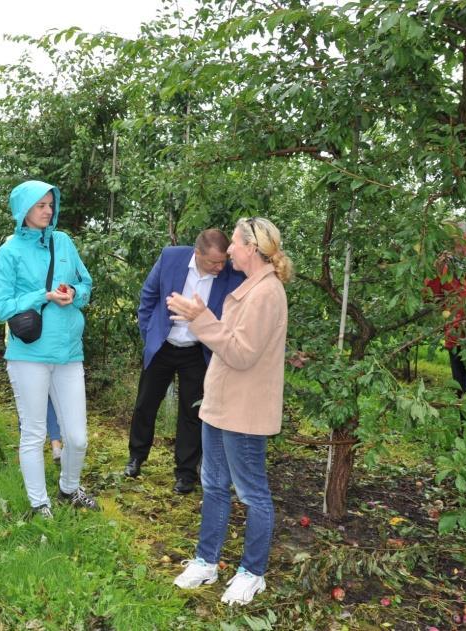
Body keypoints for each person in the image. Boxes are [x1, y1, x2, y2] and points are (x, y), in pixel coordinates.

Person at [169, 217, 291, 606]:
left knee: (253, 493)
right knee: (215, 485)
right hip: (221, 406)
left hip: (245, 411)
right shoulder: (249, 288)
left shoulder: (267, 293)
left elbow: (240, 353)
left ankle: (252, 573)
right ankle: (207, 561)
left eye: (235, 244)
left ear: (251, 248)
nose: (230, 250)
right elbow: (232, 343)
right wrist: (202, 316)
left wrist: (200, 320)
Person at [0, 180, 96, 518]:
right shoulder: (8, 254)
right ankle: (39, 504)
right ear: (23, 211)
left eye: (51, 204)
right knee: (35, 432)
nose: (48, 211)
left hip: (69, 352)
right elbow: (0, 307)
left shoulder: (63, 243)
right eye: (40, 205)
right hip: (29, 354)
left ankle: (68, 488)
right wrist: (43, 296)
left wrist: (73, 294)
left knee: (77, 437)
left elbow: (86, 284)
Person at [125, 229, 244, 494]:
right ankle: (136, 456)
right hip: (163, 345)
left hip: (198, 352)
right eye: (213, 262)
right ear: (197, 253)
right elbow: (148, 296)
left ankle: (186, 473)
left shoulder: (231, 275)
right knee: (146, 403)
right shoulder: (170, 258)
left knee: (193, 412)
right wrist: (149, 334)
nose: (220, 266)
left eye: (223, 261)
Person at [425, 221, 466, 395]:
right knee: (459, 387)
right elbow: (432, 296)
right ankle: (464, 422)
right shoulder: (446, 265)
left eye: (452, 240)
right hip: (454, 333)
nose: (450, 245)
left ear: (465, 236)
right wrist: (435, 271)